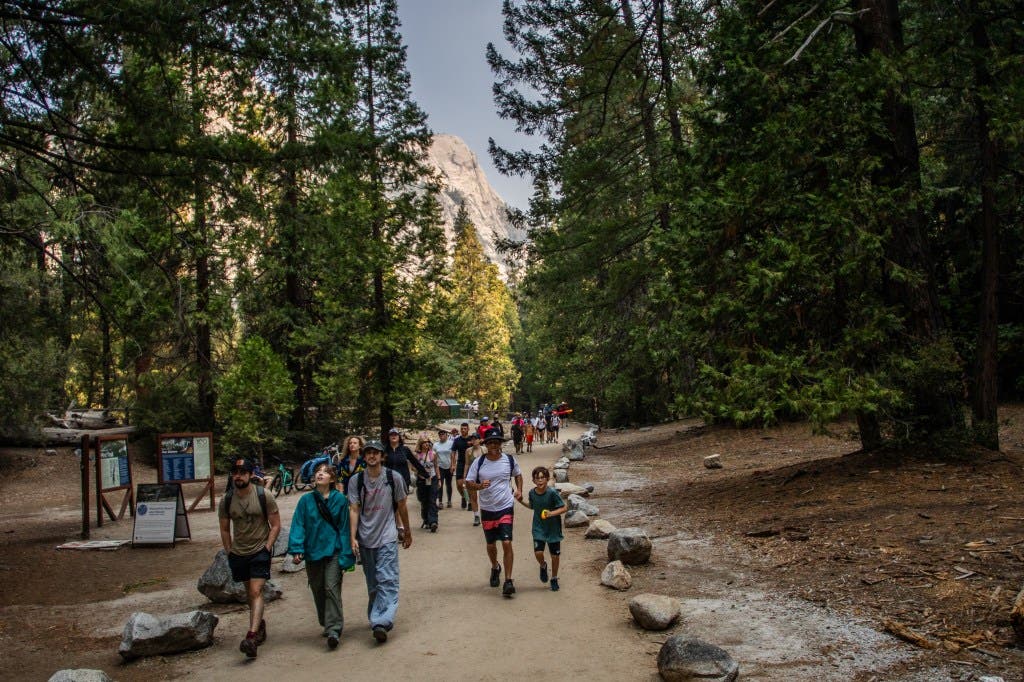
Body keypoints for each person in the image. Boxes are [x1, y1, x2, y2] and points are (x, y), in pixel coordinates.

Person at [349, 440, 413, 643]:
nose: (372, 456)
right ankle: (376, 616)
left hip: (387, 536)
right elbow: (354, 509)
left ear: (382, 456)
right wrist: (352, 536)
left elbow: (402, 505)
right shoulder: (356, 481)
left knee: (387, 578)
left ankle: (382, 621)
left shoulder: (393, 478)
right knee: (373, 583)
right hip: (366, 538)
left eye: (375, 452)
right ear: (363, 456)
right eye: (368, 452)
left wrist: (407, 531)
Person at [287, 463, 356, 649]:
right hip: (313, 551)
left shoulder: (340, 500)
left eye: (325, 472)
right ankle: (326, 622)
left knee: (331, 588)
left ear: (332, 479)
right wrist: (297, 548)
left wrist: (346, 553)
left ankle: (334, 629)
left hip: (333, 550)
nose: (320, 474)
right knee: (318, 589)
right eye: (318, 471)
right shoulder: (305, 501)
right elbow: (298, 524)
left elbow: (343, 527)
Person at [218, 457, 282, 658]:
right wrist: (229, 550)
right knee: (250, 593)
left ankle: (251, 636)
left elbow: (276, 524)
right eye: (235, 473)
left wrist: (268, 547)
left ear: (250, 475)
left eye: (242, 473)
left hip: (259, 550)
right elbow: (224, 528)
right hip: (239, 552)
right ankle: (259, 624)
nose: (238, 476)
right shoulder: (227, 499)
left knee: (256, 591)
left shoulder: (264, 495)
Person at [465, 428, 523, 597]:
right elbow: (469, 483)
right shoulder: (479, 462)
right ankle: (495, 566)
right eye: (490, 442)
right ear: (486, 444)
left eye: (496, 441)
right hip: (487, 508)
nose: (493, 445)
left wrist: (519, 489)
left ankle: (508, 580)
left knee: (506, 542)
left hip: (505, 506)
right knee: (491, 544)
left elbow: (518, 475)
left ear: (500, 443)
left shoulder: (509, 460)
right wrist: (479, 486)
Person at [517, 466, 567, 591]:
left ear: (547, 479)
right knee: (538, 552)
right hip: (538, 527)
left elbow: (564, 508)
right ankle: (543, 565)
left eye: (542, 478)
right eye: (537, 478)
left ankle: (554, 578)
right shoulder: (532, 493)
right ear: (533, 480)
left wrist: (551, 513)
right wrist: (520, 501)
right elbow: (532, 506)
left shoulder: (552, 493)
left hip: (553, 529)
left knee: (555, 556)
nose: (539, 480)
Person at [383, 428, 429, 492]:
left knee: (402, 501)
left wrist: (426, 474)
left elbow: (415, 462)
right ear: (388, 437)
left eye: (395, 434)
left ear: (399, 437)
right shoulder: (384, 450)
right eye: (391, 435)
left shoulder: (405, 449)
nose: (393, 436)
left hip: (403, 480)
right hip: (389, 481)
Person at [413, 436, 439, 532]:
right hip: (422, 480)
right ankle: (426, 519)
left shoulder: (433, 454)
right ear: (420, 444)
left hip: (432, 479)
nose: (426, 444)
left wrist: (439, 479)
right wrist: (419, 473)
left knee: (432, 500)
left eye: (428, 442)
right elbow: (413, 467)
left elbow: (436, 466)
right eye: (424, 442)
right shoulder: (417, 455)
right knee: (424, 501)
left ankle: (433, 522)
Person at [465, 432, 484, 526]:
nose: (474, 440)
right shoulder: (468, 451)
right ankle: (476, 516)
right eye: (472, 439)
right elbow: (467, 464)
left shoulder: (484, 450)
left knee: (485, 496)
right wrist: (465, 477)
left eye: (476, 438)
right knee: (473, 497)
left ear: (480, 440)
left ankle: (486, 514)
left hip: (483, 476)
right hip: (472, 476)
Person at [451, 422, 472, 510]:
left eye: (465, 429)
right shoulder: (457, 440)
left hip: (471, 464)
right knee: (459, 485)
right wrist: (453, 464)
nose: (463, 430)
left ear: (468, 429)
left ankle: (470, 502)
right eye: (462, 429)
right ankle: (464, 497)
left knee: (470, 484)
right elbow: (453, 452)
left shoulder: (472, 439)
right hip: (460, 463)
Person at [434, 429, 455, 509]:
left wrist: (453, 465)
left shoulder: (451, 443)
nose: (441, 435)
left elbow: (453, 455)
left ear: (446, 435)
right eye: (440, 434)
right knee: (440, 484)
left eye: (443, 434)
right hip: (440, 467)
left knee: (449, 484)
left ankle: (449, 500)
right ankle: (440, 502)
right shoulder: (436, 445)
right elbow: (433, 455)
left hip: (449, 466)